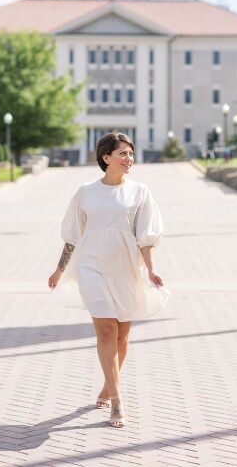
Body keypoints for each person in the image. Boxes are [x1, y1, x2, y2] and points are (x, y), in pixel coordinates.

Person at [47, 132, 168, 428]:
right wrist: (60, 269)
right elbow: (73, 236)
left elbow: (146, 236)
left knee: (122, 338)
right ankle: (117, 400)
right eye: (123, 154)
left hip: (126, 269)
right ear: (106, 157)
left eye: (131, 154)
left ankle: (107, 384)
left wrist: (151, 269)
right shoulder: (85, 192)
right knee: (105, 332)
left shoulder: (140, 192)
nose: (129, 159)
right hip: (91, 268)